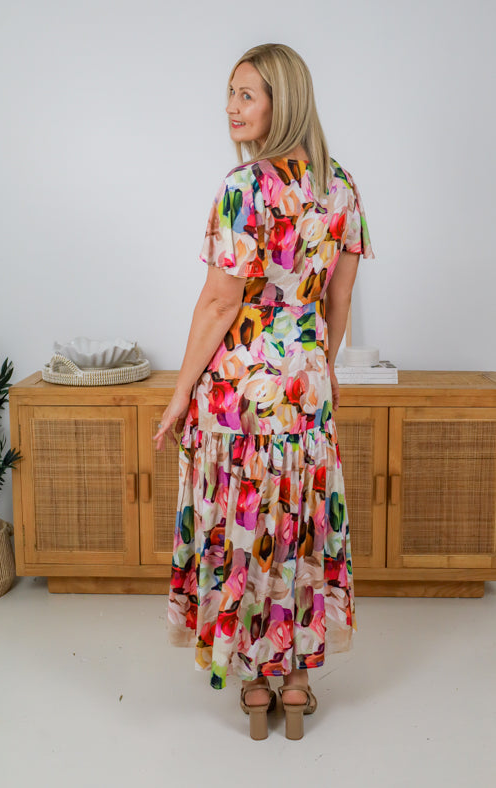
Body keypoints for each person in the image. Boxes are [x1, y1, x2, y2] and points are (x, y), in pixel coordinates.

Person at [153, 42, 375, 740]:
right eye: (230, 93)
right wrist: (315, 367)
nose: (231, 107)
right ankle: (299, 680)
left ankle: (255, 682)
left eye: (246, 94)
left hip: (237, 393)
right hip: (305, 389)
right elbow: (338, 302)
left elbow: (219, 304)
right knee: (299, 525)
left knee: (245, 529)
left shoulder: (242, 188)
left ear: (282, 100)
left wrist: (178, 394)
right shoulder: (340, 188)